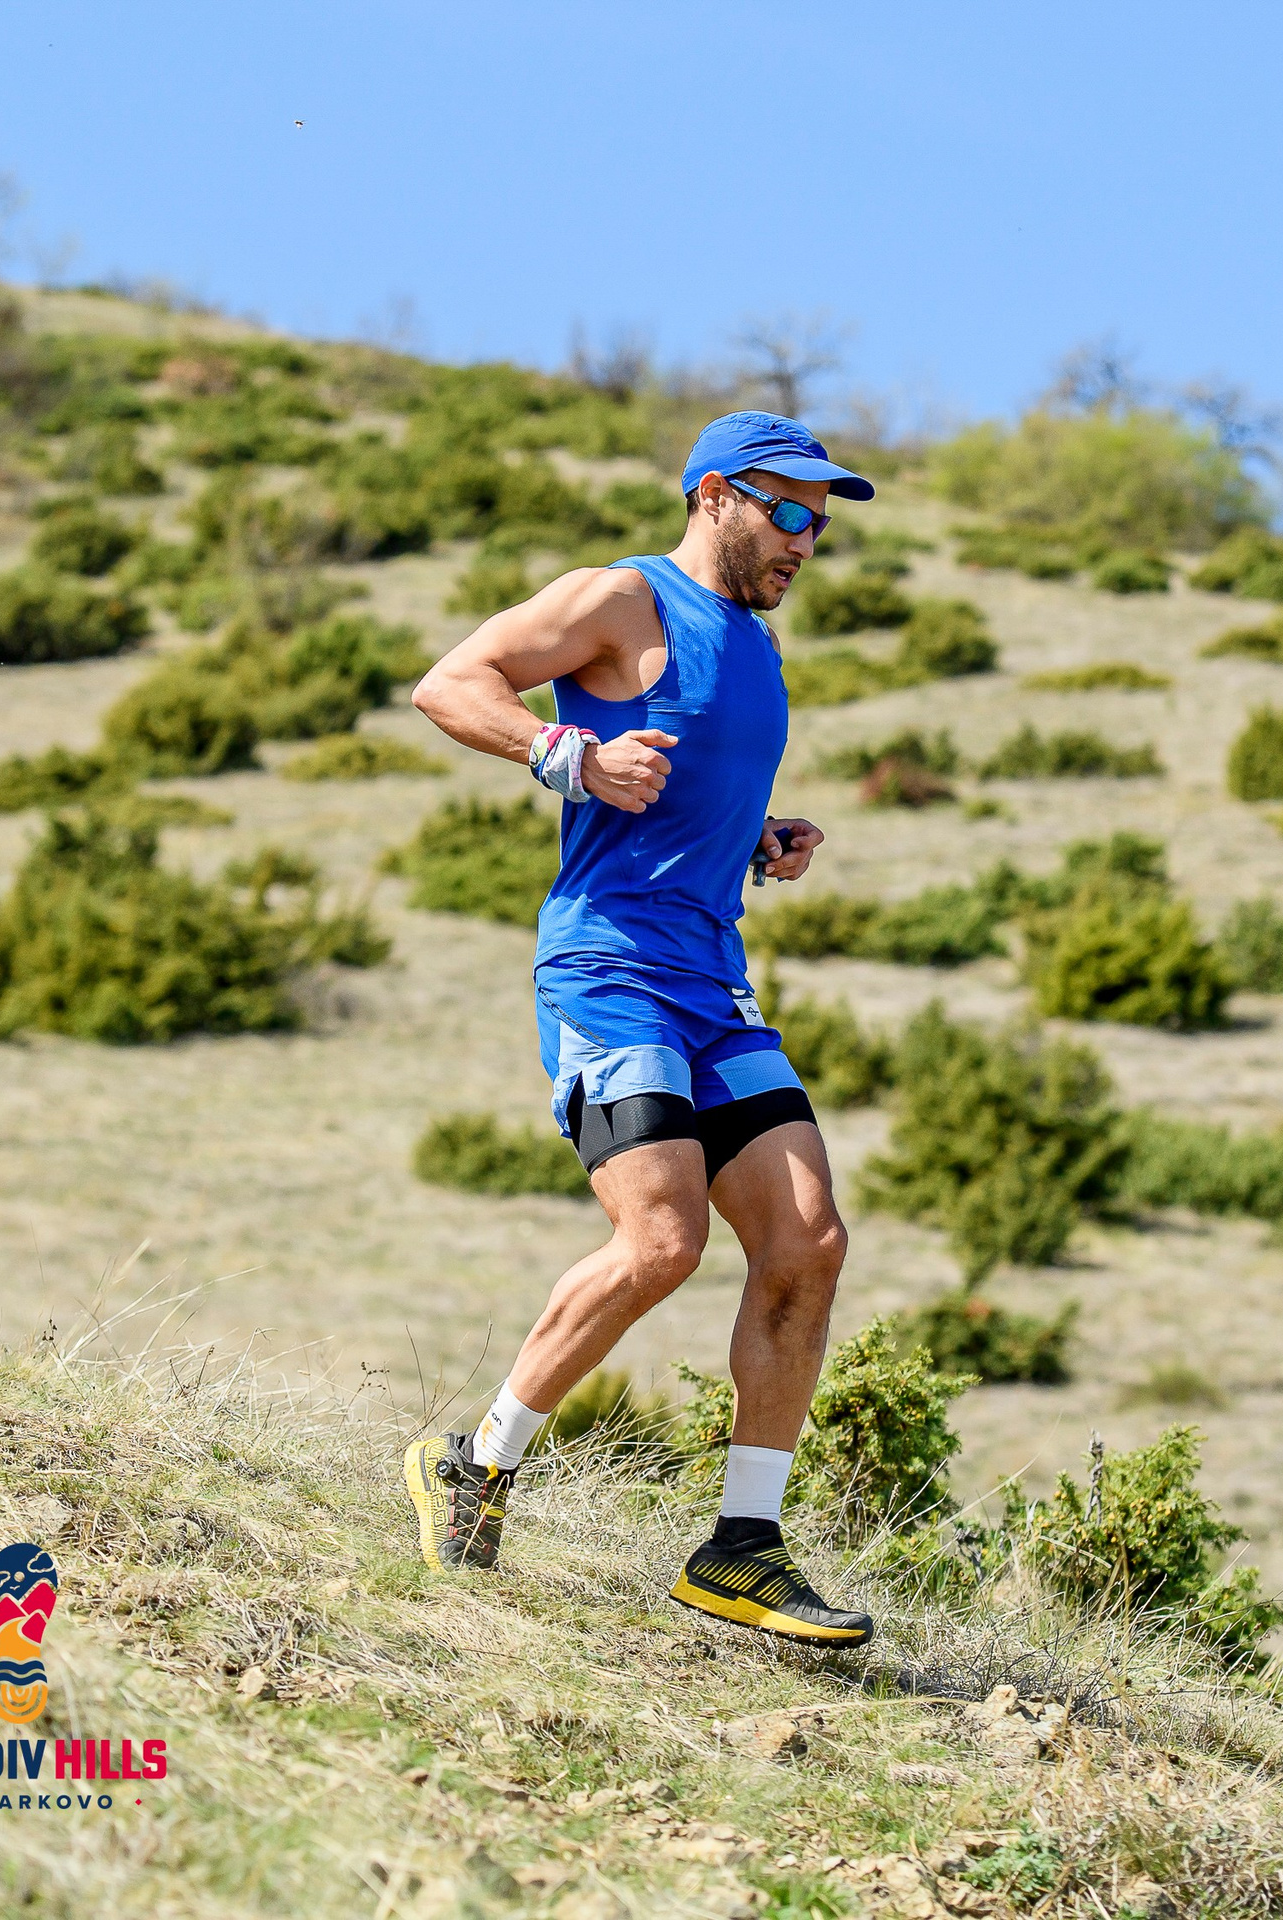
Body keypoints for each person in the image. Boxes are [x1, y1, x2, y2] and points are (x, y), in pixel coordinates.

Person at [400, 411, 875, 1646]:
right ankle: (477, 1464)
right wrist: (569, 757)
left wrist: (757, 840)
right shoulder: (622, 599)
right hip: (609, 967)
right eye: (789, 510)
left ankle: (742, 1548)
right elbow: (450, 684)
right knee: (659, 1240)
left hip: (710, 978)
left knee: (808, 1242)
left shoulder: (756, 649)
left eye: (821, 520)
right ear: (715, 493)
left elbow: (685, 794)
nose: (809, 538)